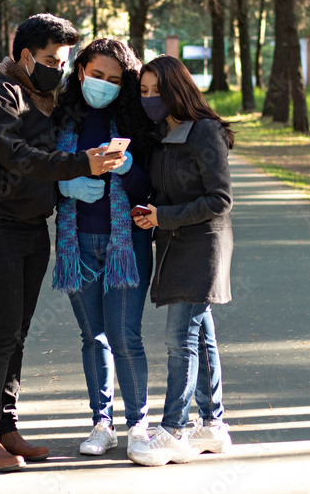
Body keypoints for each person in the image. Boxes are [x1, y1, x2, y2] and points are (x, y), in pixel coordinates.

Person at [0, 14, 125, 473]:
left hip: (34, 227)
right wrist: (81, 165)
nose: (59, 67)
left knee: (18, 332)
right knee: (2, 331)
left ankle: (6, 425)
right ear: (25, 55)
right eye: (52, 59)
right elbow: (17, 155)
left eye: (64, 60)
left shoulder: (46, 99)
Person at [50, 39, 155, 459]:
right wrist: (64, 183)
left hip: (125, 245)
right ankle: (102, 423)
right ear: (80, 72)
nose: (104, 85)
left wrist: (129, 170)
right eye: (97, 75)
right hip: (76, 246)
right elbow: (38, 172)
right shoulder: (60, 120)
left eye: (114, 79)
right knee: (92, 337)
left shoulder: (136, 120)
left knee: (124, 335)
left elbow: (151, 188)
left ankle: (139, 426)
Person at [128, 55, 235, 467]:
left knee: (180, 339)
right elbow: (166, 190)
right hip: (171, 242)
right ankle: (213, 425)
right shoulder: (159, 135)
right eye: (144, 91)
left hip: (202, 245)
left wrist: (165, 216)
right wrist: (150, 211)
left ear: (178, 89)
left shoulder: (205, 131)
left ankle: (174, 430)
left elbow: (219, 199)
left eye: (158, 90)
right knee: (200, 335)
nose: (151, 98)